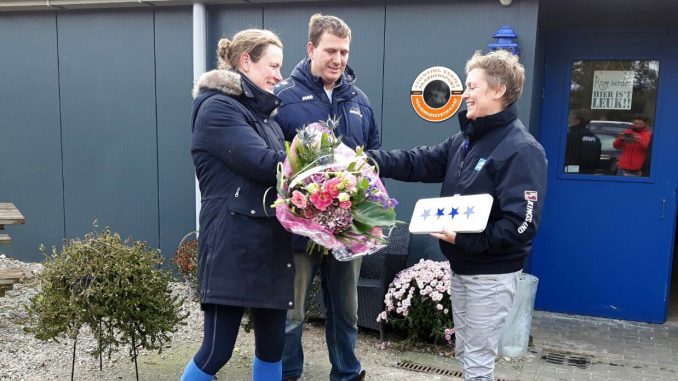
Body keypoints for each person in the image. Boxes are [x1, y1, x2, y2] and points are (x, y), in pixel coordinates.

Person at [367, 50, 547, 381]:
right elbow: (416, 161)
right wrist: (370, 160)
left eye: (472, 86)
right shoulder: (465, 140)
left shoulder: (522, 149)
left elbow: (522, 224)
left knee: (477, 362)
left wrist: (467, 239)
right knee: (467, 353)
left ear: (498, 90)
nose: (465, 94)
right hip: (463, 267)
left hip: (490, 275)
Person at [181, 29, 294, 381]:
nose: (279, 74)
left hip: (270, 246)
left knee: (273, 348)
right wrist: (315, 160)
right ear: (246, 61)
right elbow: (265, 164)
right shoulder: (217, 109)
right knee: (217, 351)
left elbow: (283, 171)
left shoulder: (266, 118)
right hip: (231, 245)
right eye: (273, 65)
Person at [273, 13, 380, 381]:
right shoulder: (283, 98)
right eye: (330, 50)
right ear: (311, 49)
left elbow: (373, 156)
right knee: (292, 313)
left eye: (344, 52)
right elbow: (272, 160)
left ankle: (347, 374)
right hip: (298, 230)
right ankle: (288, 374)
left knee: (346, 310)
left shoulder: (360, 101)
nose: (338, 59)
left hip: (347, 228)